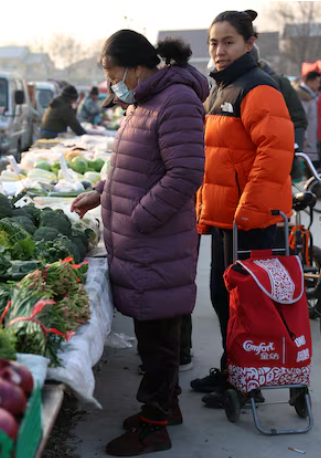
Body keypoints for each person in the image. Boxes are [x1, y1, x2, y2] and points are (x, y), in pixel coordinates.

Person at [71, 31, 207, 456]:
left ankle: (154, 426)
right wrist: (102, 190)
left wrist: (139, 216)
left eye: (113, 72)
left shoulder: (176, 100)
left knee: (159, 336)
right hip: (144, 240)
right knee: (154, 333)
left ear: (136, 66)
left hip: (156, 239)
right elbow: (137, 166)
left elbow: (184, 174)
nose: (112, 82)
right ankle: (167, 407)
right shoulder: (145, 102)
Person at [190, 10, 294, 409]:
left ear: (250, 43)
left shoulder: (259, 88)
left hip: (247, 220)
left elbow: (275, 154)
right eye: (214, 42)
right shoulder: (221, 88)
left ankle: (247, 383)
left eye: (228, 41)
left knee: (245, 305)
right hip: (224, 217)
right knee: (221, 297)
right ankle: (232, 370)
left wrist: (250, 209)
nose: (219, 50)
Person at [249, 44, 307, 153]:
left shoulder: (278, 82)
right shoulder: (231, 87)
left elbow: (298, 119)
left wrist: (295, 151)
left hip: (278, 154)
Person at [295, 71, 320, 165]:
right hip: (307, 138)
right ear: (309, 82)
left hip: (312, 137)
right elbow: (302, 118)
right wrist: (303, 138)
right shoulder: (304, 96)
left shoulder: (312, 96)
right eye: (317, 82)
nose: (319, 85)